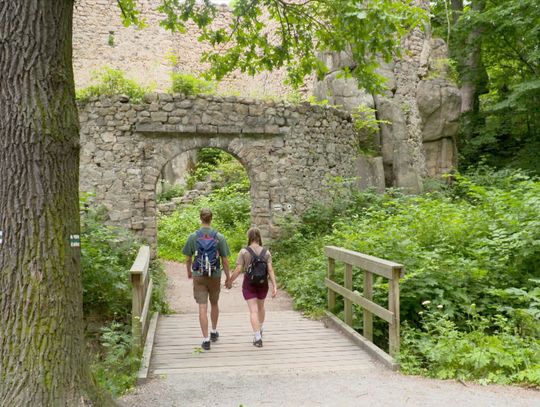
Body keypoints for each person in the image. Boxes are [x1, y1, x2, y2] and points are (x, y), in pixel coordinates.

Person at [183, 208, 231, 351]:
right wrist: (228, 277)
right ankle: (214, 331)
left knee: (202, 307)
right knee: (214, 303)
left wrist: (189, 272)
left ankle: (205, 340)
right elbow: (225, 260)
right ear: (211, 219)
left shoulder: (193, 237)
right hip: (215, 275)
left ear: (201, 219)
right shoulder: (219, 237)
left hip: (199, 275)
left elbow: (187, 258)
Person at [227, 227, 277, 347]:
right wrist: (275, 285)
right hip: (263, 284)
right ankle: (260, 328)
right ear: (259, 237)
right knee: (261, 307)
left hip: (249, 284)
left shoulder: (244, 252)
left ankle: (257, 337)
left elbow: (239, 269)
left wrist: (229, 280)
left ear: (249, 237)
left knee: (253, 310)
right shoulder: (267, 252)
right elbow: (270, 270)